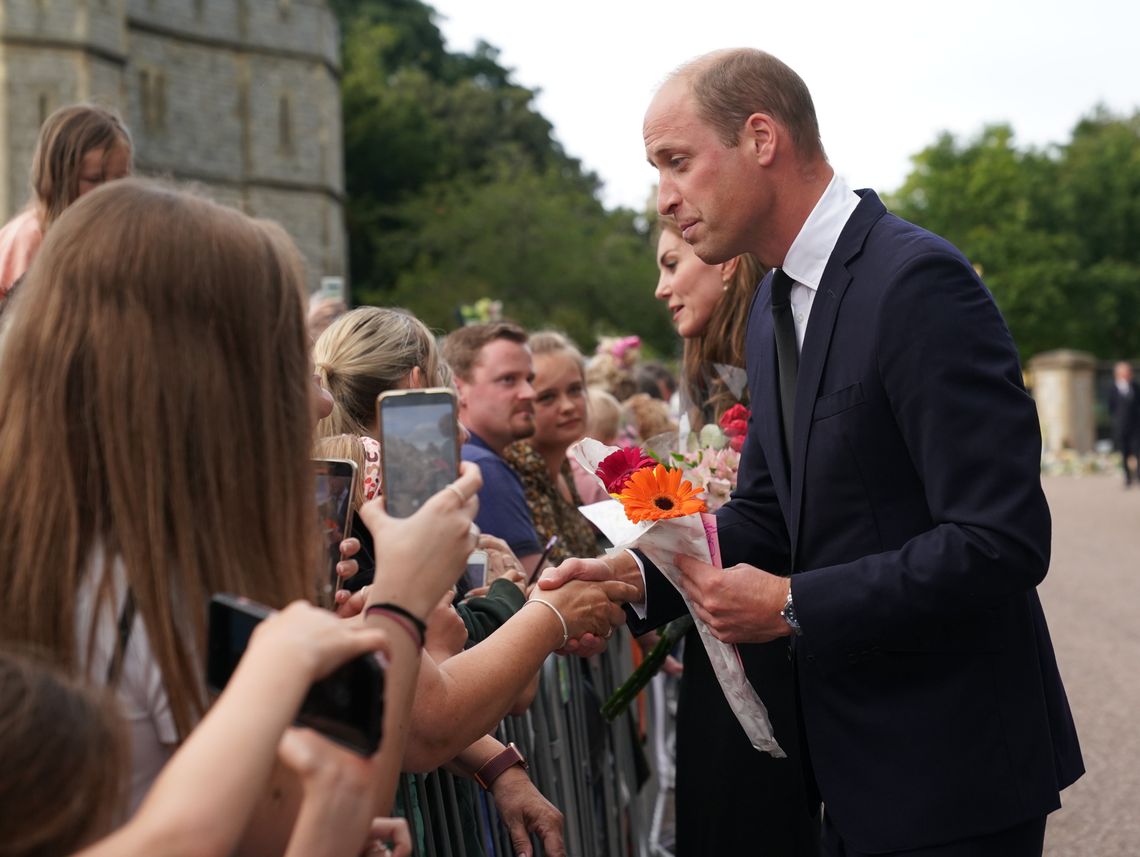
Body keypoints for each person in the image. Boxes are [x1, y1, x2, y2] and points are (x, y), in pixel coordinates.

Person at [546, 48, 1083, 856]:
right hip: (847, 770)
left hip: (953, 770)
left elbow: (1001, 540)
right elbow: (766, 509)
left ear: (762, 136)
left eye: (677, 162)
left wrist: (794, 603)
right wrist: (635, 577)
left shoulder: (917, 282)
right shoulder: (770, 304)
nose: (665, 198)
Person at [0, 177, 482, 854]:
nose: (320, 402)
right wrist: (402, 601)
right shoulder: (142, 591)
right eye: (288, 362)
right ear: (206, 385)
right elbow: (347, 784)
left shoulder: (85, 552)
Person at [655, 217, 818, 854]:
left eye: (672, 265)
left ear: (724, 263)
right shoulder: (708, 380)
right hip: (727, 625)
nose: (661, 287)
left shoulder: (773, 359)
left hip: (774, 633)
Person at [441, 322, 545, 575]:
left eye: (529, 379)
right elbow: (541, 584)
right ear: (459, 388)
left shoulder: (461, 457)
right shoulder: (481, 468)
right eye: (508, 380)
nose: (529, 393)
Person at [0, 103, 132, 297]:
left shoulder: (118, 236)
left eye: (121, 179)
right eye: (94, 179)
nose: (111, 191)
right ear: (59, 178)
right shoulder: (29, 238)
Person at [502, 331, 600, 564]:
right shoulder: (522, 470)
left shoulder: (563, 464)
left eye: (575, 390)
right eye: (547, 397)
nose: (567, 406)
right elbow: (559, 570)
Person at [1108, 361, 1139, 487]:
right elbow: (1111, 407)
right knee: (1124, 452)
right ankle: (1127, 476)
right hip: (1121, 426)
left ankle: (1138, 474)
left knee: (1137, 451)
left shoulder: (1135, 387)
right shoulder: (1113, 389)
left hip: (1136, 426)